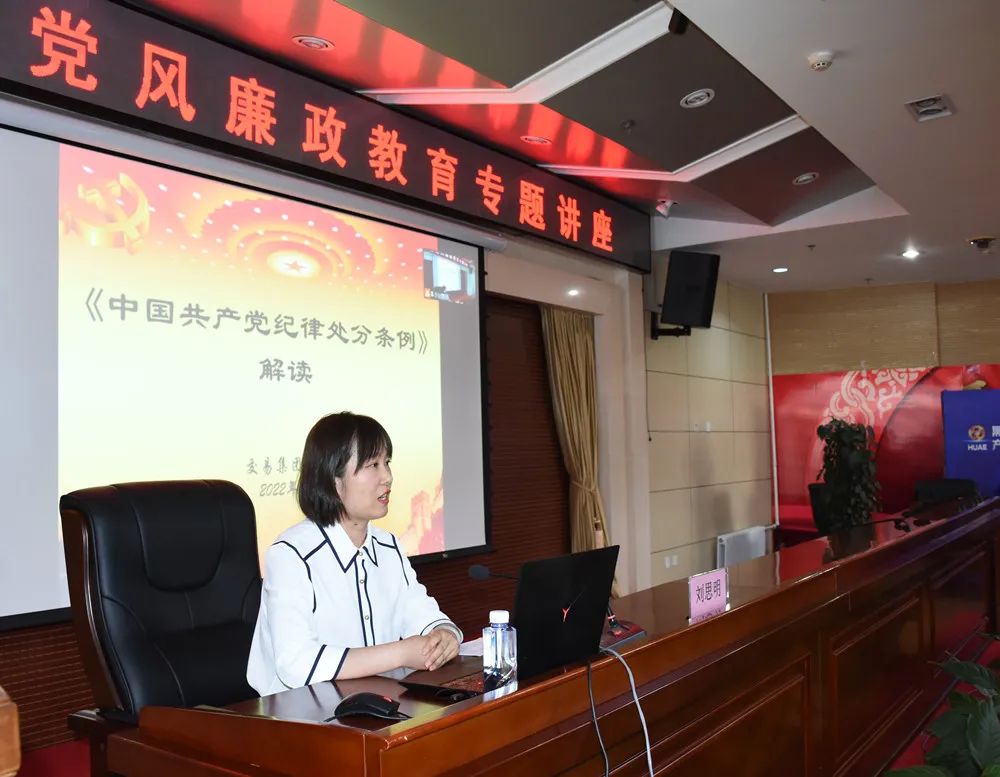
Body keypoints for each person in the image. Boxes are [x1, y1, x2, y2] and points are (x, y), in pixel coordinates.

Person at [247, 412, 462, 695]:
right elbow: (296, 664)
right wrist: (400, 653)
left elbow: (424, 615)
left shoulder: (388, 547)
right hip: (300, 713)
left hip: (378, 705)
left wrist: (445, 635)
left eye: (387, 463)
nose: (388, 477)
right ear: (334, 481)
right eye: (373, 465)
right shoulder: (292, 555)